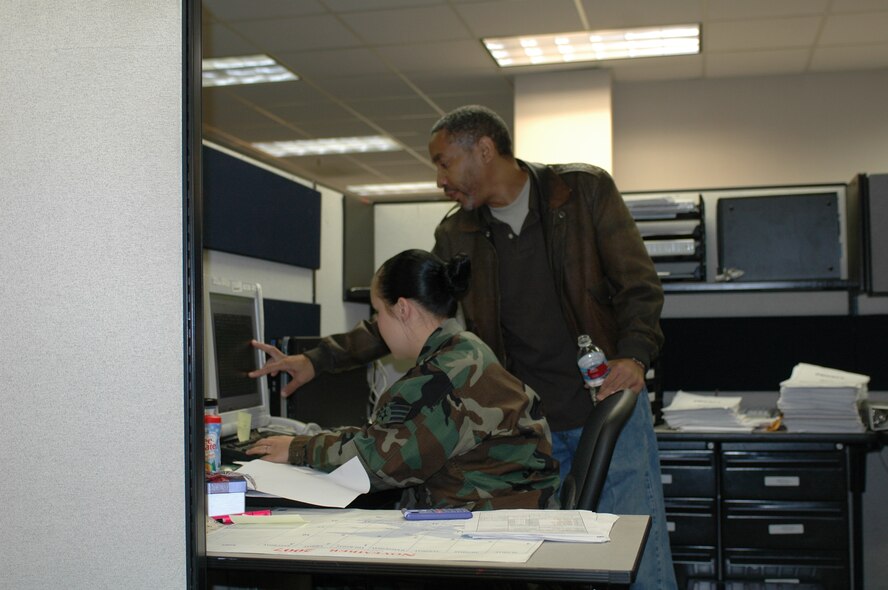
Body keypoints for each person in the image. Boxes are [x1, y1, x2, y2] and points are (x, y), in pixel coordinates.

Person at [252, 106, 676, 588]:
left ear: (485, 149)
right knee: (564, 571)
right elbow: (410, 304)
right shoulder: (459, 231)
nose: (439, 179)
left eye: (443, 161)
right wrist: (317, 358)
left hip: (601, 401)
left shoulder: (580, 193)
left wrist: (634, 354)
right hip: (530, 423)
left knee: (639, 560)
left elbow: (639, 286)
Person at [246, 249, 560, 511]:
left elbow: (380, 461)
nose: (377, 325)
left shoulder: (444, 376)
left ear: (403, 309)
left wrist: (300, 449)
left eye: (378, 312)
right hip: (501, 510)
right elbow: (394, 438)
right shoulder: (463, 350)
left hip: (485, 529)